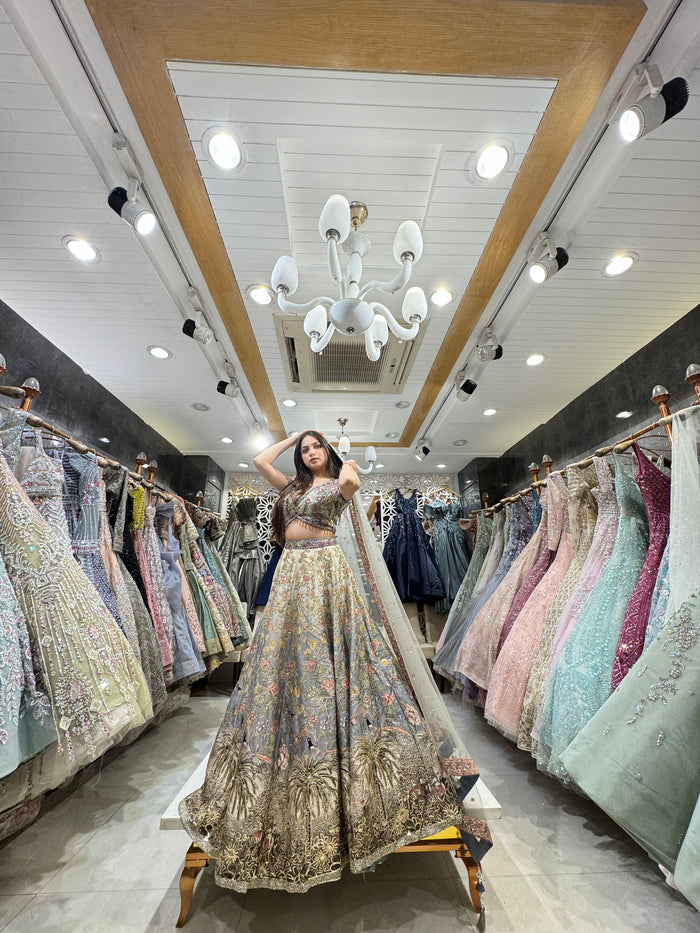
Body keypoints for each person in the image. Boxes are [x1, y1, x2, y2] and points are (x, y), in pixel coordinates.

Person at [180, 430, 472, 893]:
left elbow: (352, 484)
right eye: (305, 450)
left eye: (316, 447)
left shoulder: (343, 480)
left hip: (326, 569)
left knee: (333, 654)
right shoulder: (291, 488)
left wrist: (343, 459)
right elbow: (259, 460)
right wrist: (293, 435)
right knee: (285, 657)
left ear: (328, 453)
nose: (310, 453)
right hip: (292, 569)